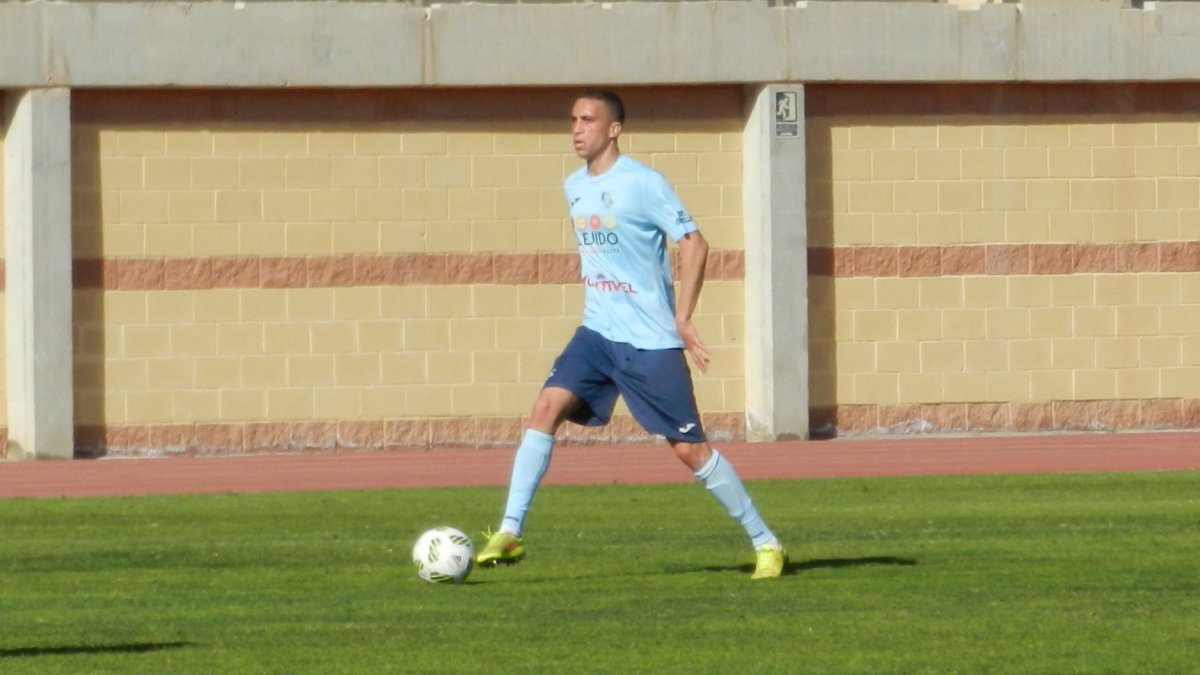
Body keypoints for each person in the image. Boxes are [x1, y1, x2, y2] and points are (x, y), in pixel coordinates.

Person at [475, 89, 786, 580]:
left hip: (650, 340)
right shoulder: (573, 186)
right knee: (543, 410)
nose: (577, 129)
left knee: (689, 450)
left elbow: (695, 243)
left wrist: (683, 317)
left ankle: (766, 543)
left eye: (588, 119)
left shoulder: (644, 184)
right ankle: (509, 532)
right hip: (596, 332)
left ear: (614, 129)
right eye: (573, 119)